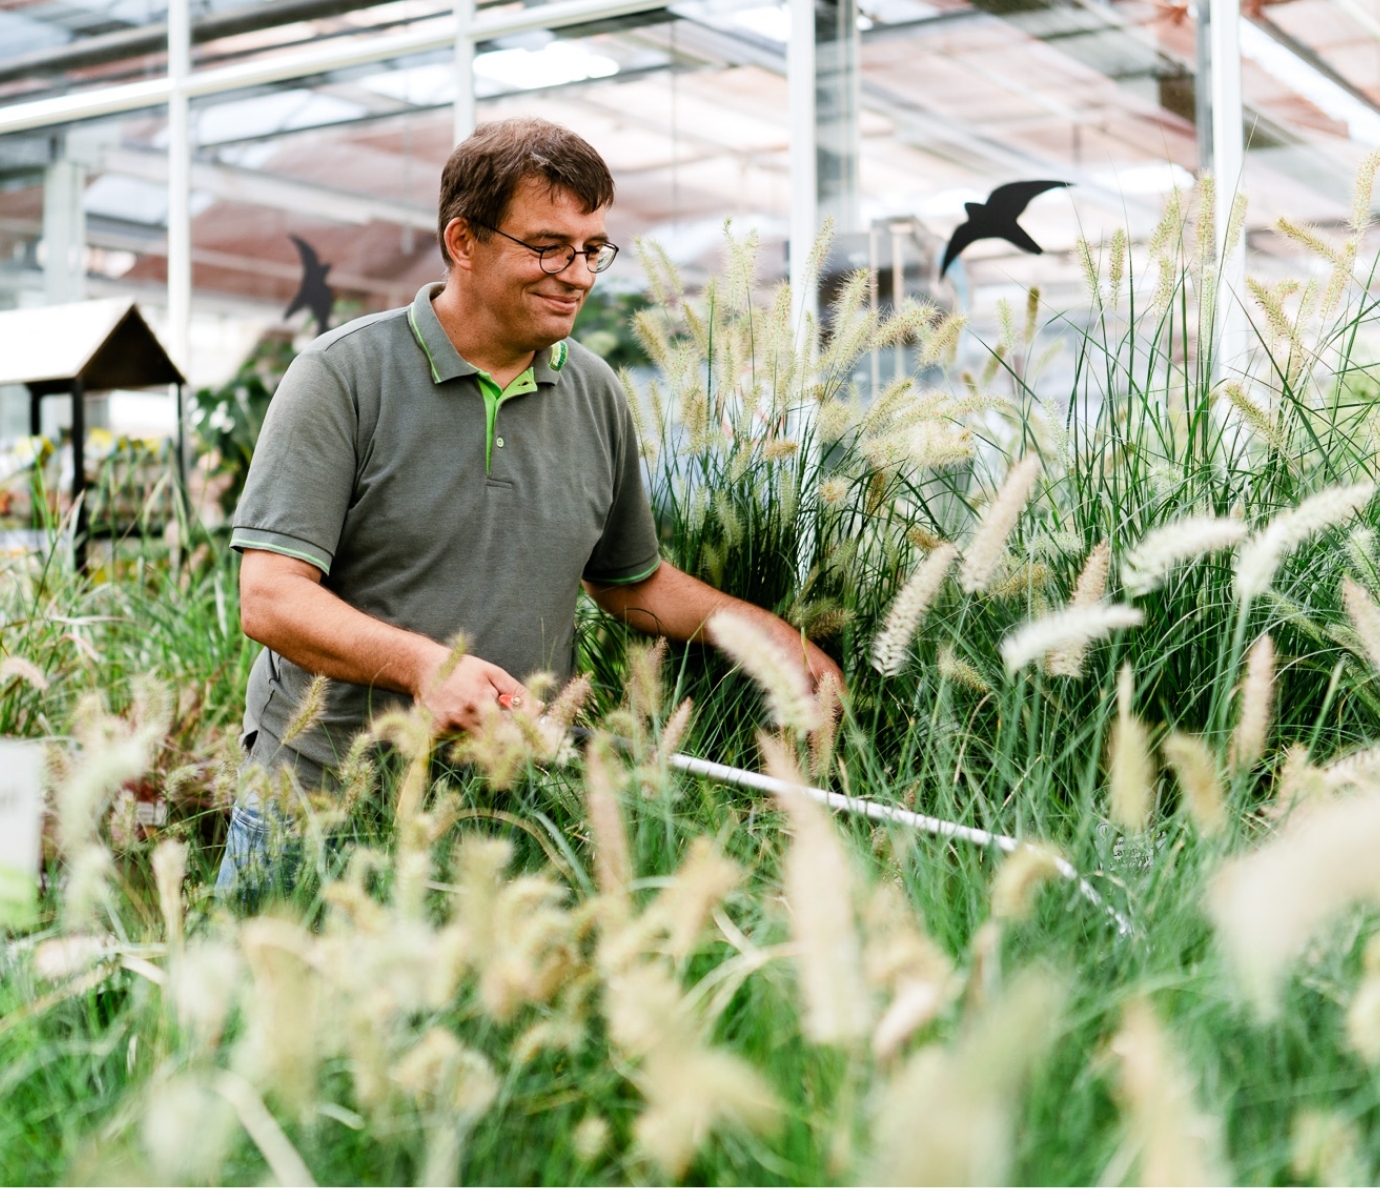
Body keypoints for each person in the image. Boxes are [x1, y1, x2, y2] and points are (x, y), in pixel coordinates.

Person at [217, 118, 842, 896]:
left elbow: (630, 583)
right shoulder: (341, 378)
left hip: (502, 815)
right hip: (320, 806)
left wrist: (772, 642)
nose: (577, 273)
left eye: (592, 248)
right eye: (548, 246)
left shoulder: (595, 391)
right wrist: (425, 670)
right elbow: (270, 599)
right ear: (463, 241)